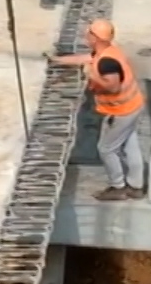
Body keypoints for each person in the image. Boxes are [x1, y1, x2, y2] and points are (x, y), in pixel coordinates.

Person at [49, 18, 146, 201]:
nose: (86, 34)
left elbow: (113, 87)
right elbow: (87, 58)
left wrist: (90, 75)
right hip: (133, 106)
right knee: (130, 145)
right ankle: (136, 186)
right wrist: (58, 60)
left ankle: (118, 187)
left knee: (106, 148)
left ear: (96, 38)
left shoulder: (106, 63)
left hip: (120, 111)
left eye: (89, 33)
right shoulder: (108, 51)